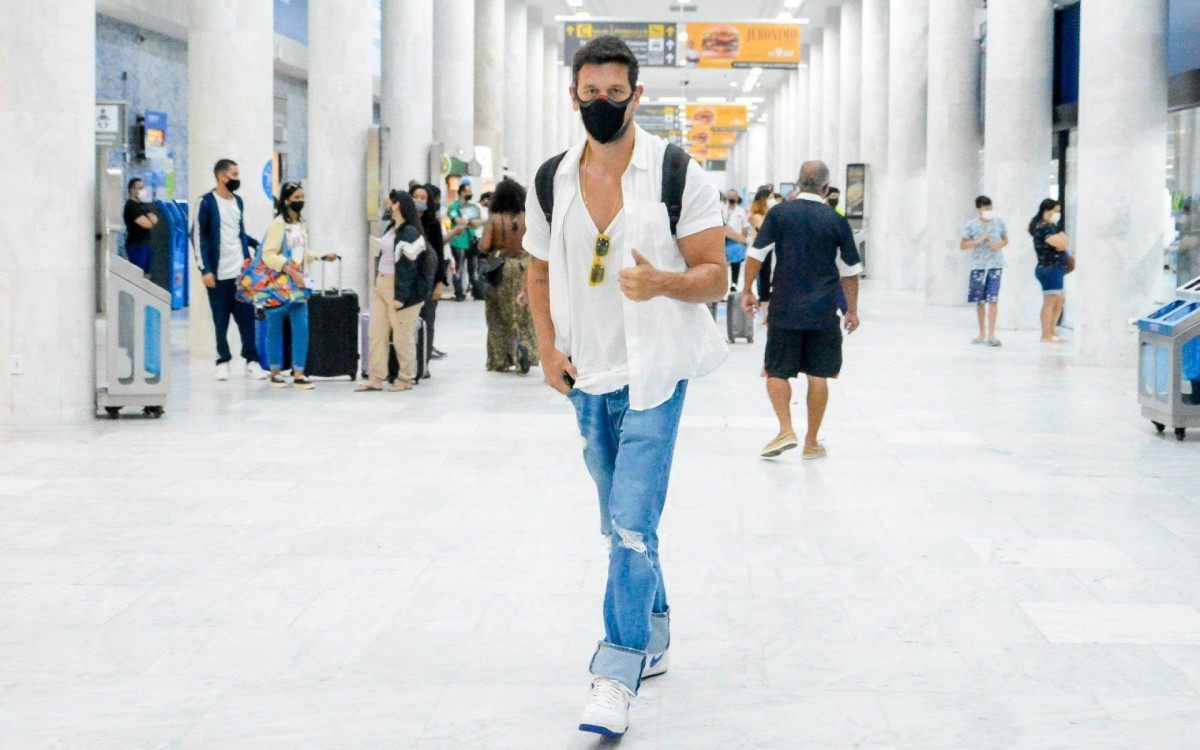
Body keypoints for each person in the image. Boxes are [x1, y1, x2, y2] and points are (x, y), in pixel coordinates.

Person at [524, 35, 727, 739]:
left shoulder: (676, 172)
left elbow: (716, 274)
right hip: (587, 376)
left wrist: (664, 281)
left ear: (637, 95)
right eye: (591, 94)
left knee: (632, 520)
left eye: (616, 93)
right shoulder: (553, 177)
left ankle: (615, 672)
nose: (603, 104)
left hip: (655, 375)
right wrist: (546, 348)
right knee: (620, 520)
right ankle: (657, 626)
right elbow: (539, 270)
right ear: (574, 96)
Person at [742, 161, 862, 460]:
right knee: (819, 374)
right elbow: (849, 271)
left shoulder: (779, 213)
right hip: (823, 310)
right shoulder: (835, 220)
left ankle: (785, 428)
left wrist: (747, 290)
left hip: (784, 307)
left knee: (776, 371)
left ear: (797, 183)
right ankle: (810, 443)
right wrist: (852, 310)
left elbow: (756, 254)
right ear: (825, 187)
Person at [260, 182, 338, 389]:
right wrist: (290, 270)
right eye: (296, 198)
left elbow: (301, 252)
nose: (300, 201)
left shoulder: (302, 224)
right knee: (274, 328)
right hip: (278, 285)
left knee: (301, 328)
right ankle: (275, 372)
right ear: (286, 200)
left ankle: (299, 373)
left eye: (302, 197)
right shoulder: (278, 224)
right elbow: (269, 255)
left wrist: (320, 256)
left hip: (298, 286)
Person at [356, 190, 433, 392]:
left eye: (392, 202)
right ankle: (375, 377)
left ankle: (406, 378)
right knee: (377, 332)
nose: (389, 205)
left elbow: (408, 268)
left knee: (402, 335)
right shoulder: (392, 229)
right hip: (382, 285)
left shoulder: (410, 233)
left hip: (400, 289)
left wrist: (400, 297)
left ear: (398, 205)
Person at [196, 158, 262, 380]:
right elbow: (197, 237)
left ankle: (252, 361)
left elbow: (238, 231)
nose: (237, 178)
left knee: (247, 319)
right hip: (218, 274)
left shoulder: (238, 202)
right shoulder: (205, 202)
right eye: (234, 174)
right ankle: (223, 360)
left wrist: (253, 244)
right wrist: (204, 269)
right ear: (221, 176)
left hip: (241, 273)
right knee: (220, 320)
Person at [479, 178, 539, 373]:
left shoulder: (495, 219)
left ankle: (500, 358)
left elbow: (484, 246)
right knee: (524, 313)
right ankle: (526, 349)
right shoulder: (527, 217)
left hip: (501, 268)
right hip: (525, 265)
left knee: (497, 315)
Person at [960, 195, 1009, 346]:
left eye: (990, 208)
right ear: (978, 209)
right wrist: (979, 240)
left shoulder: (999, 222)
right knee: (980, 301)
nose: (988, 210)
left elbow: (1006, 239)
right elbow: (963, 245)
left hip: (995, 265)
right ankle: (981, 333)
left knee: (993, 299)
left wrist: (998, 245)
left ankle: (992, 334)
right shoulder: (971, 225)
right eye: (985, 208)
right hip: (978, 267)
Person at [417, 183, 451, 362]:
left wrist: (439, 283)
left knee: (427, 320)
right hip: (410, 282)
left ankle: (424, 361)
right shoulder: (403, 224)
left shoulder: (433, 225)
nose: (419, 202)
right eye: (415, 197)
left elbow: (438, 254)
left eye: (423, 198)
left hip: (429, 281)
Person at [1030, 198, 1071, 343]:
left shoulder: (1051, 226)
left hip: (1056, 268)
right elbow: (1062, 244)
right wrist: (1062, 241)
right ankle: (1045, 334)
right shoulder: (1044, 227)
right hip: (1049, 269)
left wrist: (1062, 241)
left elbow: (1064, 243)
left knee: (1059, 299)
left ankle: (1051, 331)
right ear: (1047, 211)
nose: (1058, 214)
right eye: (1056, 211)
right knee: (1050, 301)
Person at [447, 182, 484, 300]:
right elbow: (457, 219)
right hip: (459, 242)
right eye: (468, 191)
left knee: (474, 269)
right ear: (462, 192)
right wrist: (469, 222)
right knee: (459, 268)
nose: (470, 193)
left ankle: (478, 293)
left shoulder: (472, 207)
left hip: (472, 241)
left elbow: (478, 223)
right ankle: (459, 293)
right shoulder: (453, 206)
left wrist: (468, 222)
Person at [123, 177, 158, 278]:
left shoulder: (142, 205)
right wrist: (150, 221)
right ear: (132, 190)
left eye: (143, 188)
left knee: (147, 274)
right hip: (136, 245)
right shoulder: (130, 207)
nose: (142, 190)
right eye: (140, 188)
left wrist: (150, 220)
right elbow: (147, 224)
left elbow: (155, 219)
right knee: (138, 274)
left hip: (146, 244)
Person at [722, 189, 751, 291]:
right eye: (730, 196)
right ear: (727, 197)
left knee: (736, 264)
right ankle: (722, 286)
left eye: (734, 196)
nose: (732, 198)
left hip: (737, 241)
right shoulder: (722, 210)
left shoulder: (741, 211)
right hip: (723, 241)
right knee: (723, 265)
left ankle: (734, 284)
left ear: (737, 198)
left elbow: (745, 227)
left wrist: (742, 241)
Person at [749, 186, 773, 305]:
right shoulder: (757, 216)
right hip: (761, 248)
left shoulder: (767, 215)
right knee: (763, 274)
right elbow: (763, 230)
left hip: (768, 247)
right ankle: (763, 298)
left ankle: (765, 296)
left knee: (767, 273)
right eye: (770, 197)